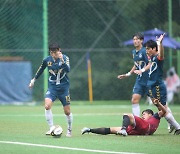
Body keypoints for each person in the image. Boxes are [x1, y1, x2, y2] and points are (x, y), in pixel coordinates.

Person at [29, 42, 73, 137]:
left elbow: (68, 70)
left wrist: (62, 60)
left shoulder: (65, 58)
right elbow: (40, 69)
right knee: (47, 106)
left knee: (67, 111)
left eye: (55, 52)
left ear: (59, 50)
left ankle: (69, 129)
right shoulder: (47, 60)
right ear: (50, 52)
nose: (54, 54)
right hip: (52, 87)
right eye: (52, 52)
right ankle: (51, 127)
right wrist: (33, 80)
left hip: (63, 88)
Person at [144, 34, 180, 135]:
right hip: (150, 85)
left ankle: (177, 126)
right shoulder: (152, 58)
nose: (147, 50)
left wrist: (160, 43)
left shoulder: (158, 57)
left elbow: (161, 55)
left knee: (162, 108)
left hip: (157, 86)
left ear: (154, 48)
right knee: (161, 107)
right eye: (146, 49)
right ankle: (173, 124)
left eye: (148, 49)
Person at [81, 99, 166, 136]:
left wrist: (158, 104)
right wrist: (90, 130)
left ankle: (123, 130)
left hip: (145, 127)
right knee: (112, 130)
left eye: (144, 114)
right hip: (138, 131)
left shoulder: (154, 117)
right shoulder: (142, 123)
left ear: (150, 115)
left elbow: (164, 111)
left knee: (127, 115)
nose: (142, 116)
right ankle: (89, 129)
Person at [118, 33, 151, 117]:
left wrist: (142, 70)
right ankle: (137, 123)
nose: (135, 41)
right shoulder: (134, 52)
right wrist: (128, 74)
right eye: (134, 39)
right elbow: (136, 64)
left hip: (149, 80)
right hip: (140, 81)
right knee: (134, 100)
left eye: (137, 39)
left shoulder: (144, 51)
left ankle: (174, 124)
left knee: (158, 103)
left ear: (142, 41)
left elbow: (150, 63)